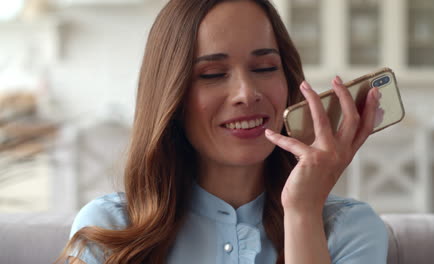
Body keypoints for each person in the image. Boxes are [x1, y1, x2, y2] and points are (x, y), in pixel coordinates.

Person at [57, 0, 388, 263]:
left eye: (264, 68)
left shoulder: (350, 229)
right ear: (172, 97)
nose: (246, 92)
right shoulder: (108, 228)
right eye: (213, 73)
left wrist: (303, 212)